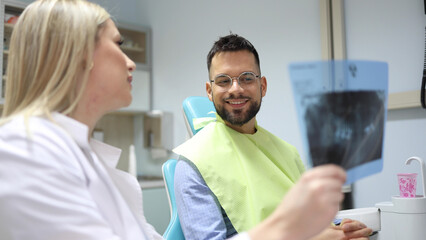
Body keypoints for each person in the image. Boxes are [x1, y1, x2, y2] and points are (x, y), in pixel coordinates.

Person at [0, 1, 350, 239]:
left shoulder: (92, 164)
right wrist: (289, 229)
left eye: (246, 78)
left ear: (262, 85)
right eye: (117, 45)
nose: (130, 62)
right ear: (75, 56)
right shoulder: (23, 154)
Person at [173, 34, 373, 240]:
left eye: (247, 78)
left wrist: (341, 229)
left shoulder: (286, 152)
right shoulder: (193, 165)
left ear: (263, 86)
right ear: (209, 90)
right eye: (224, 81)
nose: (236, 89)